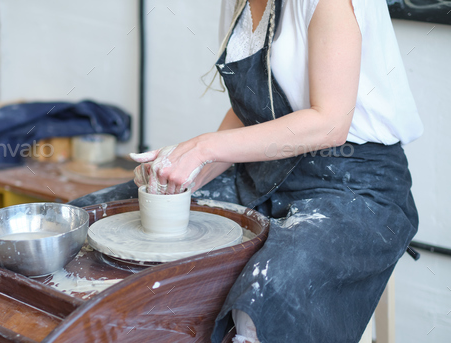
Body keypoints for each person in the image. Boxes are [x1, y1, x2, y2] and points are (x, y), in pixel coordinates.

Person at [70, 0, 422, 341]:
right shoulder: (237, 3)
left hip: (354, 183)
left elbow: (330, 124)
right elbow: (252, 110)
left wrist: (204, 147)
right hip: (262, 169)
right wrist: (189, 170)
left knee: (272, 288)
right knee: (92, 216)